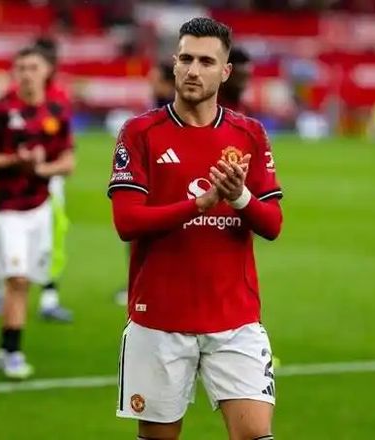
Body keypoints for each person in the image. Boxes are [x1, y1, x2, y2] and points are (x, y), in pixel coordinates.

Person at [108, 17, 282, 439]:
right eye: (185, 59)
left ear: (225, 72)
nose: (193, 70)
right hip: (159, 319)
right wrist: (199, 204)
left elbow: (273, 224)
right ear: (174, 63)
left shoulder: (250, 134)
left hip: (235, 320)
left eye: (206, 62)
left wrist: (239, 197)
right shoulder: (139, 132)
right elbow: (127, 222)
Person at [0, 46, 75, 379]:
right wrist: (13, 161)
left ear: (46, 71)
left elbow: (68, 161)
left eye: (33, 67)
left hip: (39, 207)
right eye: (20, 67)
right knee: (16, 279)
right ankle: (13, 352)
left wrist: (41, 168)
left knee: (26, 281)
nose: (26, 73)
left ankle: (4, 349)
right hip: (6, 207)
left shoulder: (57, 111)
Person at [113, 61, 177, 306]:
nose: (151, 84)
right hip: (146, 181)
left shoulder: (174, 111)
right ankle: (138, 284)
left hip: (164, 181)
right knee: (137, 232)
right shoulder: (153, 111)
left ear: (168, 83)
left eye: (155, 80)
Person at [218, 46, 253, 114]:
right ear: (225, 73)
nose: (243, 84)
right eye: (239, 77)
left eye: (247, 77)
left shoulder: (247, 111)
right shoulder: (211, 108)